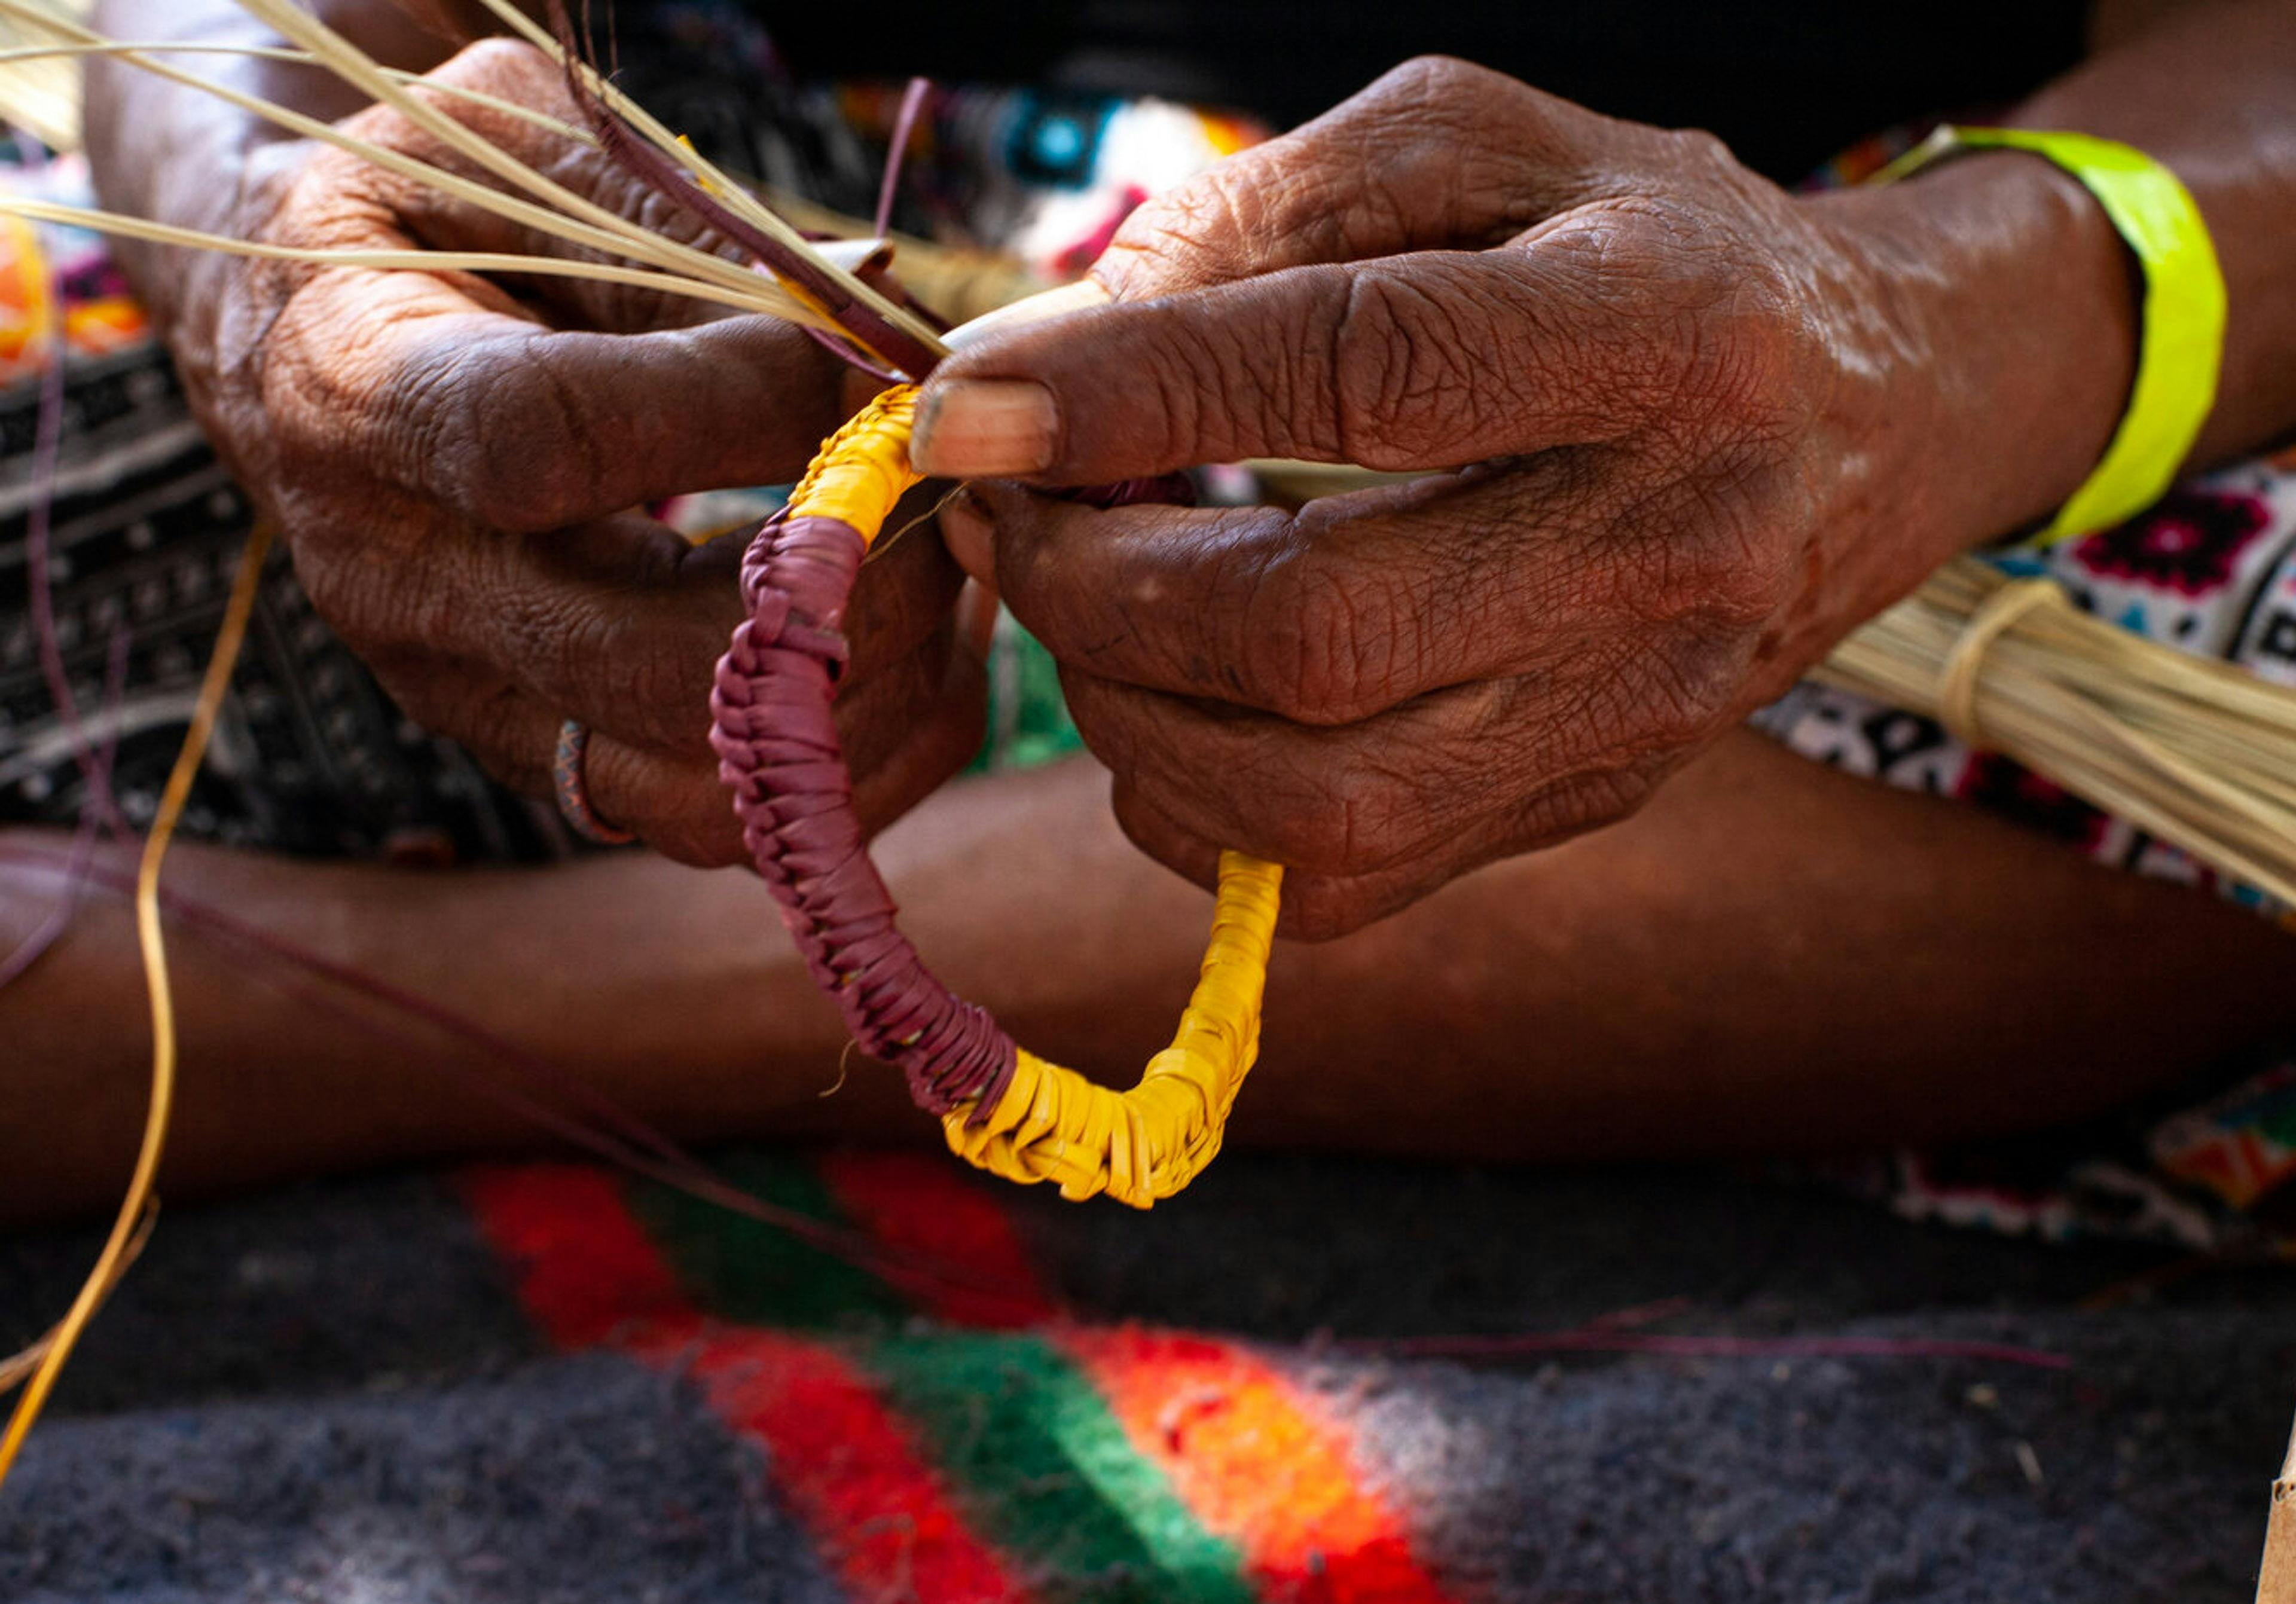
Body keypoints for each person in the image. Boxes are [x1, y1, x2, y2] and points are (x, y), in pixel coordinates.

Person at [5, 0, 2296, 1223]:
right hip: (720, 199)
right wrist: (284, 217)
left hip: (1883, 282)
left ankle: (390, 1004)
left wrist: (1935, 333)